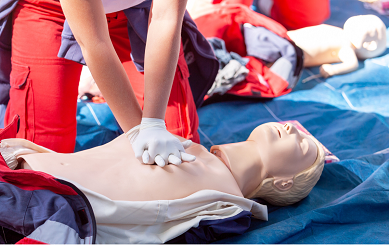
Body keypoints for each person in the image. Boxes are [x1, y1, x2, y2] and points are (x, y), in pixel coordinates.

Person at [1, 121, 325, 243]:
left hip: (38, 209)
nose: (295, 129)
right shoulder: (182, 139)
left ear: (283, 183)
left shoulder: (227, 208)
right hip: (15, 166)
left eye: (303, 146)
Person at [1, 0, 219, 167]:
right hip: (50, 10)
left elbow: (165, 18)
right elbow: (94, 41)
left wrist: (153, 124)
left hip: (139, 11)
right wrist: (136, 131)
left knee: (179, 149)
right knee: (37, 159)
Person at [286, 14, 387, 79]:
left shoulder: (347, 47)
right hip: (290, 38)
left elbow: (352, 64)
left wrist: (333, 70)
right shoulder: (340, 32)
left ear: (369, 45)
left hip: (294, 52)